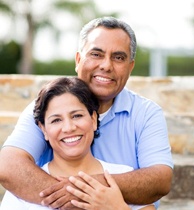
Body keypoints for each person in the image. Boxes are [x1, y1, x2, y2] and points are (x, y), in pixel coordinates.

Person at [0, 16, 173, 209]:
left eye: (118, 57)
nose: (106, 66)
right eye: (96, 54)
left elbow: (160, 179)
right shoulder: (46, 107)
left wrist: (83, 192)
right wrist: (78, 200)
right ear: (78, 59)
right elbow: (9, 166)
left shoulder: (146, 114)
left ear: (130, 67)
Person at [1, 77, 155, 210]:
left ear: (93, 120)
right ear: (44, 130)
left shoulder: (122, 176)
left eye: (77, 116)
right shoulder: (21, 190)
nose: (69, 128)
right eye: (56, 120)